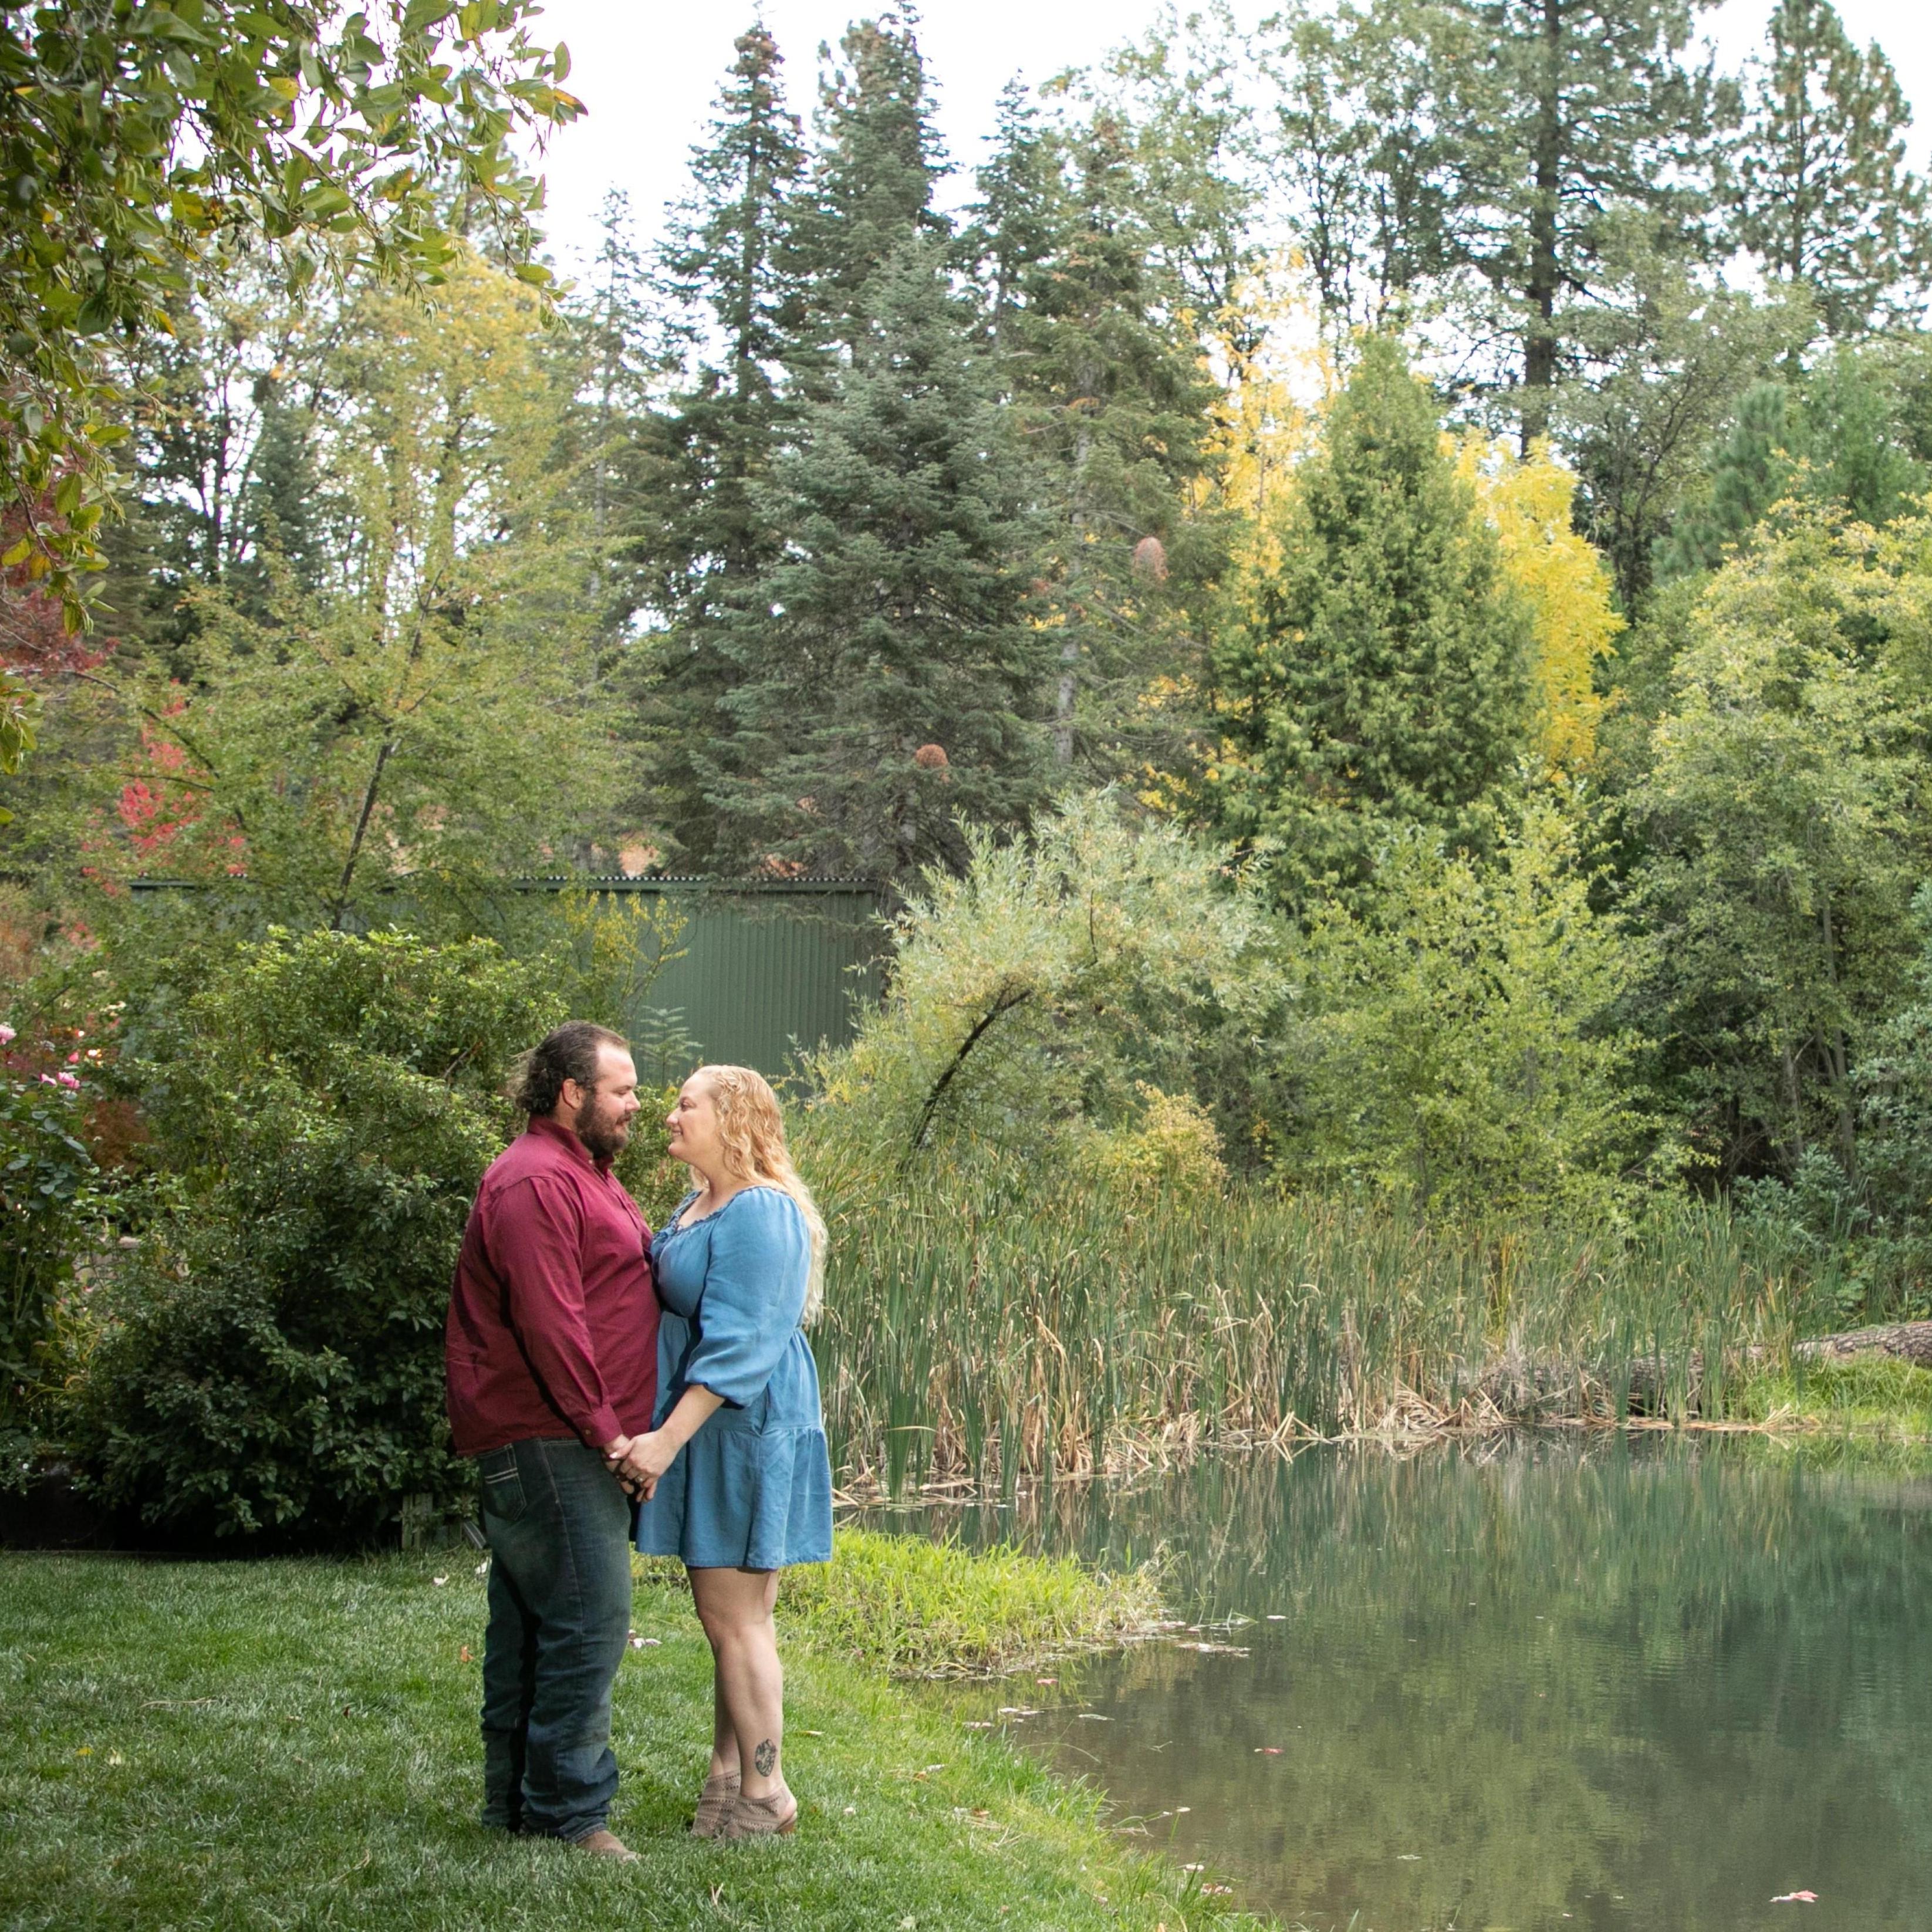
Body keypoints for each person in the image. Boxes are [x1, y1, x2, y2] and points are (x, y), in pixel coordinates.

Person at [444, 1021, 657, 1862]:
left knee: (532, 1621)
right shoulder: (535, 1181)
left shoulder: (585, 1173)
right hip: (549, 1435)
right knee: (588, 1621)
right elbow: (551, 1323)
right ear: (573, 1093)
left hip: (562, 1434)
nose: (636, 1104)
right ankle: (572, 1817)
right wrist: (608, 1435)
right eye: (623, 1089)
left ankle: (515, 1807)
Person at [614, 1064, 833, 1842]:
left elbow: (742, 1342)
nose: (668, 1116)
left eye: (684, 1104)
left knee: (733, 1616)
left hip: (744, 1424)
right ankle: (728, 1780)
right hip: (714, 1423)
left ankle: (768, 1792)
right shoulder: (702, 1203)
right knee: (735, 1618)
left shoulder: (760, 1211)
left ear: (732, 1117)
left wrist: (665, 1440)